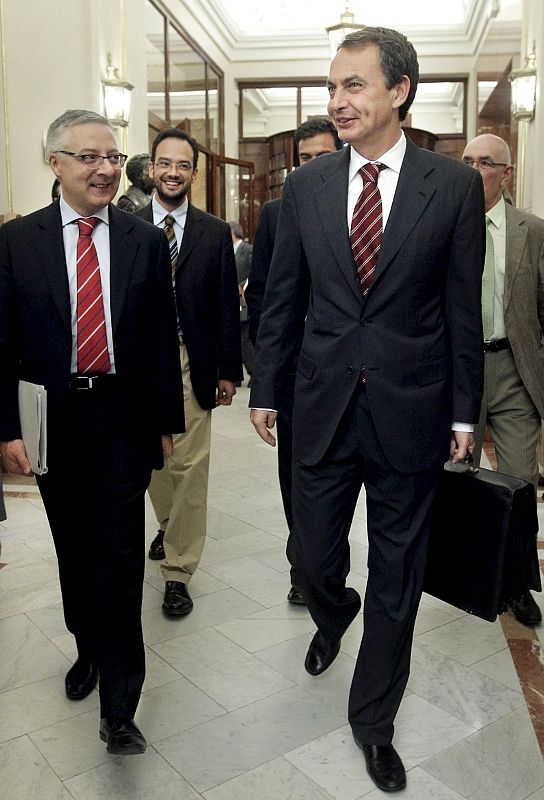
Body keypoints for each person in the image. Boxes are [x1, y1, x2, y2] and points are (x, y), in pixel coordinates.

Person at [250, 28, 485, 793]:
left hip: (411, 412)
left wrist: (463, 414)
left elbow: (458, 310)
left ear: (400, 91)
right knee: (311, 556)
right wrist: (265, 388)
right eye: (332, 88)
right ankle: (330, 610)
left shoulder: (449, 188)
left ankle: (373, 723)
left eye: (354, 86)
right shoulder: (306, 190)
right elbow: (282, 300)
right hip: (319, 406)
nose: (337, 102)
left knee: (399, 576)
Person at [0, 109, 184, 756]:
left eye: (112, 155)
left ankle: (120, 706)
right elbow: (2, 345)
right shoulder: (17, 242)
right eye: (89, 157)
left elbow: (163, 341)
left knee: (120, 561)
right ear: (55, 163)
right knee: (74, 555)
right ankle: (87, 649)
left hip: (120, 421)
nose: (106, 168)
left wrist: (167, 424)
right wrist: (5, 430)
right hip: (50, 423)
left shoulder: (143, 241)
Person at [139, 129, 242, 617]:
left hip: (190, 359)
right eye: (165, 163)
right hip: (139, 366)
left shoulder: (214, 232)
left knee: (190, 465)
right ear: (150, 169)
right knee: (155, 461)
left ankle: (178, 570)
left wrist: (228, 369)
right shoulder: (127, 226)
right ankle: (169, 524)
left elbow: (226, 304)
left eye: (182, 165)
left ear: (194, 175)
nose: (172, 172)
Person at [246, 117, 343, 606]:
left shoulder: (363, 206)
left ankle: (330, 564)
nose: (313, 167)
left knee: (338, 479)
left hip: (348, 369)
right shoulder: (278, 212)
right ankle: (303, 567)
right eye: (306, 159)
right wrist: (273, 362)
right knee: (297, 478)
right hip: (295, 373)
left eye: (324, 157)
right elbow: (265, 293)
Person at [462, 133, 544, 626]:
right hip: (459, 372)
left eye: (484, 163)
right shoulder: (444, 224)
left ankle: (516, 585)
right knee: (459, 479)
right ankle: (469, 574)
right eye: (466, 161)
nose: (472, 170)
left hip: (514, 369)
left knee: (518, 480)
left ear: (506, 174)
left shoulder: (532, 231)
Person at [229, 221, 254, 384]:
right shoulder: (225, 250)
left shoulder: (248, 250)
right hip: (230, 303)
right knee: (233, 339)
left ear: (233, 233)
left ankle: (254, 371)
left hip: (244, 301)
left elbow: (255, 273)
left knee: (244, 338)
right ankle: (235, 376)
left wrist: (242, 286)